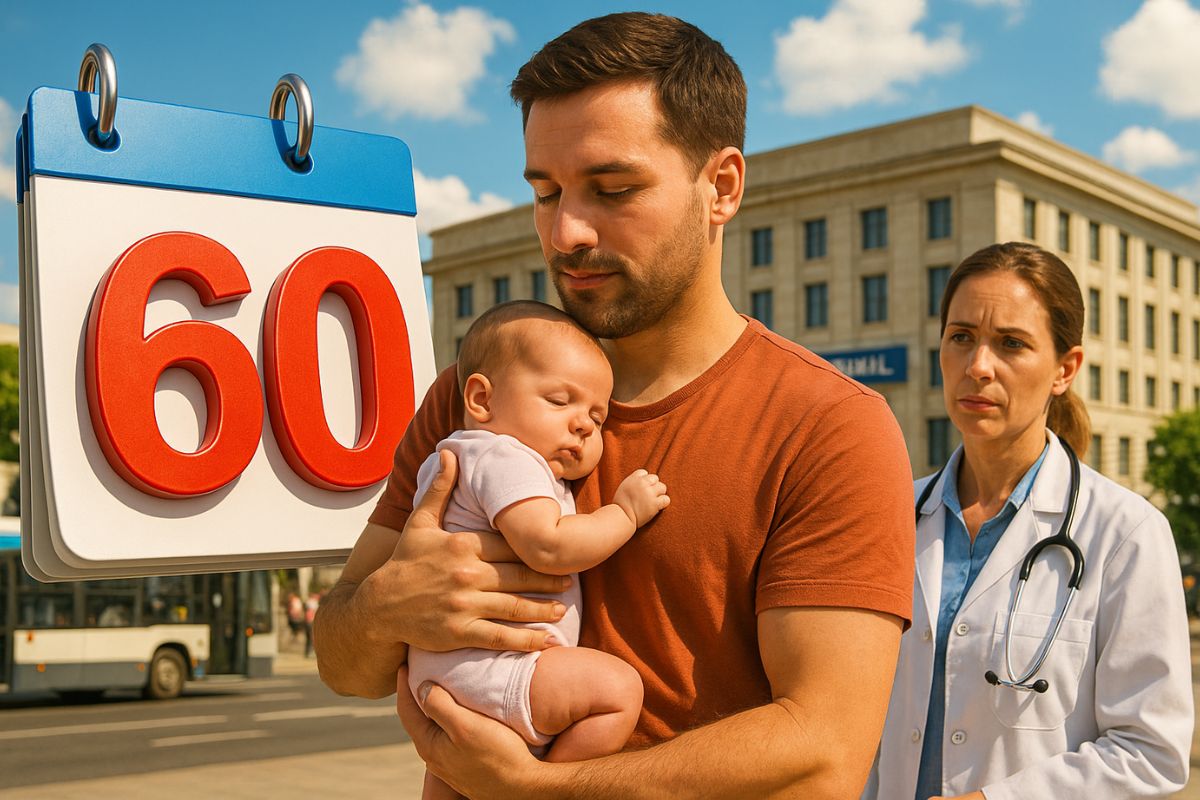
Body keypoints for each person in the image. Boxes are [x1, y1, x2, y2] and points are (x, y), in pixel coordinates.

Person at [315, 12, 915, 798]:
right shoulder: (477, 391)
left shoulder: (827, 426)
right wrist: (386, 609)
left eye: (613, 189)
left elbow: (824, 755)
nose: (566, 231)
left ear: (722, 188)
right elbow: (343, 663)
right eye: (545, 191)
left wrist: (535, 790)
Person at [865, 242, 1193, 799]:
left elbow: (1150, 751)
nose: (978, 366)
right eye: (961, 337)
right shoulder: (890, 514)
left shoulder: (1126, 533)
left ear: (1066, 369)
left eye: (1011, 343)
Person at [408, 301, 668, 799]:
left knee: (455, 778)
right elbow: (548, 545)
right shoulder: (503, 454)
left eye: (597, 416)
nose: (583, 425)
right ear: (482, 399)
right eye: (558, 400)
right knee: (617, 693)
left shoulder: (470, 455)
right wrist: (625, 514)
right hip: (491, 670)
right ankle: (546, 789)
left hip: (457, 675)